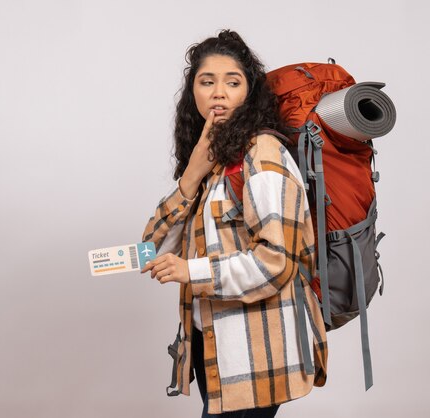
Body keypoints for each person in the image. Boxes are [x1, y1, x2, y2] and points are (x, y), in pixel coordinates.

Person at [140, 30, 328, 417]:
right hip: (215, 353)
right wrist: (190, 177)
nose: (219, 93)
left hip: (256, 360)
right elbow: (152, 251)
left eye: (233, 82)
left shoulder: (263, 153)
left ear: (249, 92)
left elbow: (276, 262)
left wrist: (189, 270)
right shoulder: (210, 162)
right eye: (207, 82)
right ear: (193, 92)